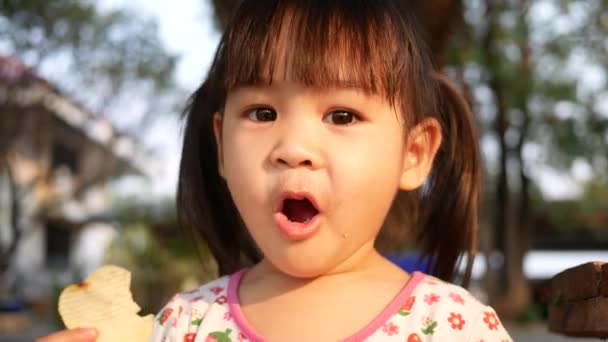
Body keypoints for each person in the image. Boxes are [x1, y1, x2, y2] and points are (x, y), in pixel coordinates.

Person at [39, 0, 512, 341]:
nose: (293, 148)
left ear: (414, 154)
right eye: (263, 113)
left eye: (342, 116)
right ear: (221, 145)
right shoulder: (185, 325)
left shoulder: (456, 327)